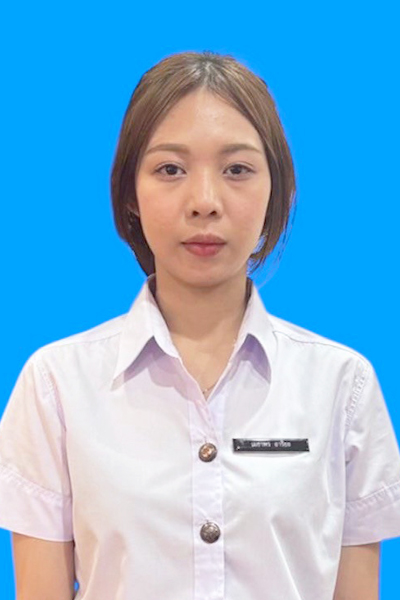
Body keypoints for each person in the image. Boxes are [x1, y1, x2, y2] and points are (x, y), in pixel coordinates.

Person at [0, 50, 399, 600]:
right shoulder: (56, 385)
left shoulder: (342, 385)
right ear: (130, 193)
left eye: (237, 170)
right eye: (170, 169)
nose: (204, 202)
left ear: (275, 192)